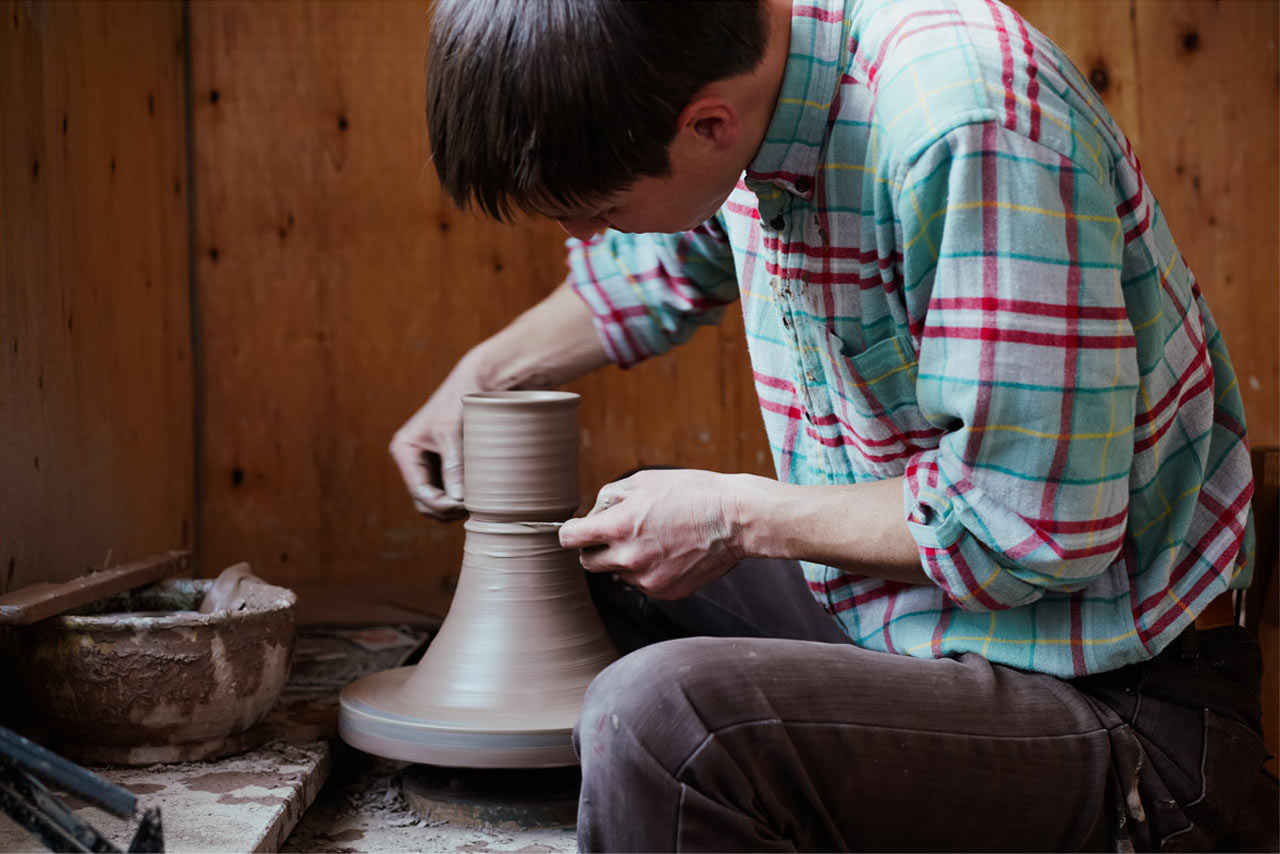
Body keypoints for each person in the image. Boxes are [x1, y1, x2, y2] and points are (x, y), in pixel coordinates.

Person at [392, 0, 1267, 849]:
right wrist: (483, 378)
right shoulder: (749, 86)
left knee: (664, 720)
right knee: (593, 562)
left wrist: (734, 516)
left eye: (601, 210)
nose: (583, 236)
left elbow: (1033, 528)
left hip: (1122, 701)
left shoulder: (962, 123)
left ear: (708, 126)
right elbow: (652, 269)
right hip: (927, 622)